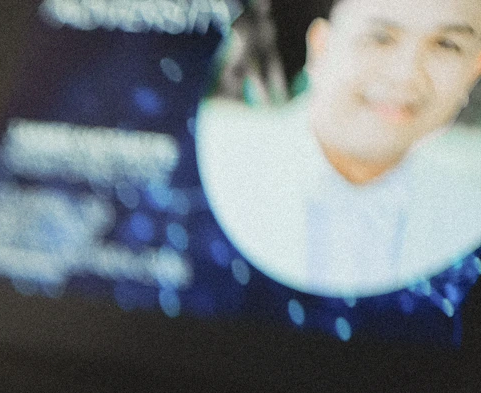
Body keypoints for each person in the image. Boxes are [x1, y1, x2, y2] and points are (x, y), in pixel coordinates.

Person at [197, 0, 481, 299]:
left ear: (474, 69)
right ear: (320, 45)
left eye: (447, 45)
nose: (406, 75)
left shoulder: (468, 196)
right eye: (380, 37)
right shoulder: (222, 156)